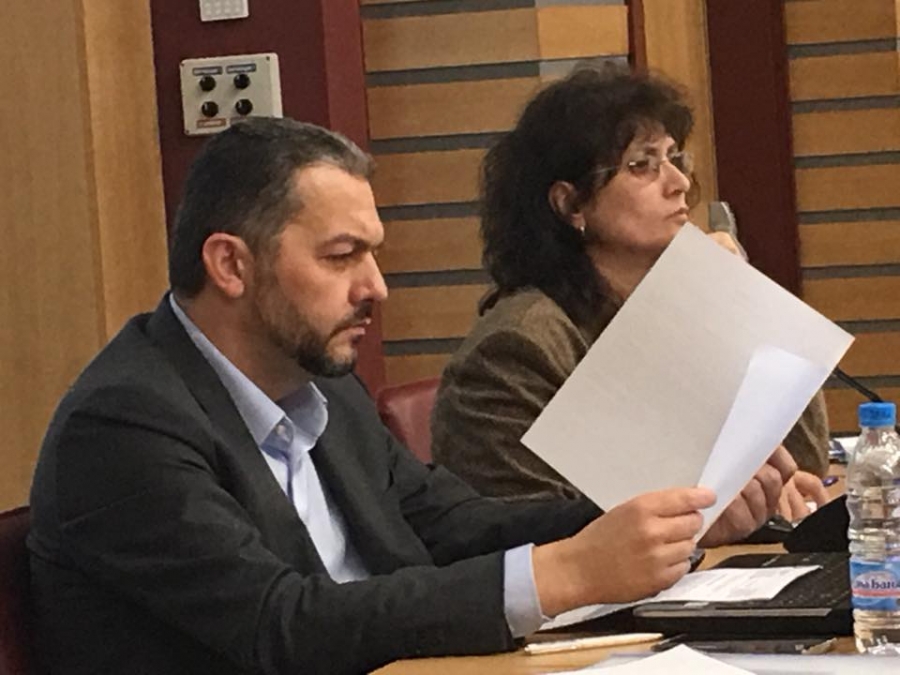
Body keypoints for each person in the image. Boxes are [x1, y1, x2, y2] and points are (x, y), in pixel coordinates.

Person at [28, 118, 792, 675]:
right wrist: (565, 572)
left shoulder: (325, 390)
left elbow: (455, 526)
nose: (376, 287)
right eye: (342, 256)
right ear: (231, 264)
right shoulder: (125, 424)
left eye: (374, 254)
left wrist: (655, 516)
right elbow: (281, 624)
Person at [431, 65, 829, 519]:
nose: (679, 184)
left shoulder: (668, 309)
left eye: (674, 158)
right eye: (642, 165)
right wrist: (700, 511)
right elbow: (531, 530)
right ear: (571, 203)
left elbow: (805, 456)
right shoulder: (517, 349)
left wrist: (737, 298)